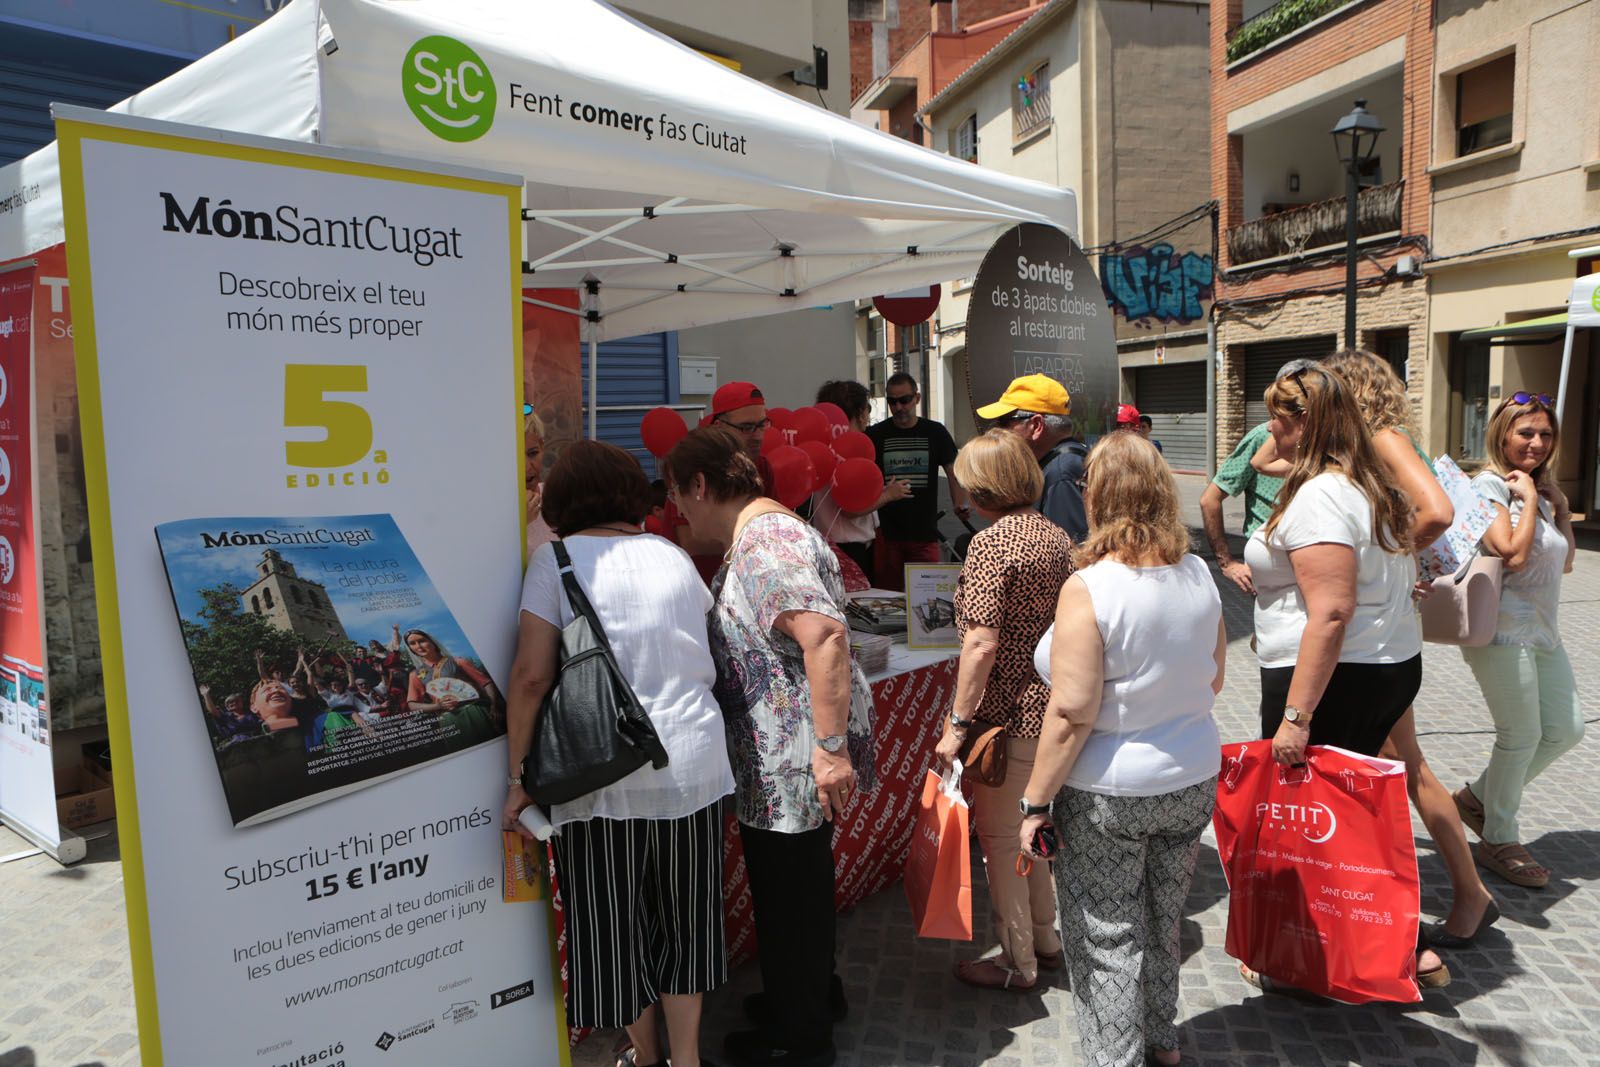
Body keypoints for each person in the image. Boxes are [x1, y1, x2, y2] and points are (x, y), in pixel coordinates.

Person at [503, 439, 733, 1067]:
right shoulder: (673, 556)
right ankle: (686, 1059)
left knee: (613, 929)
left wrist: (518, 776)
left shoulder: (556, 561)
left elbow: (530, 676)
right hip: (692, 766)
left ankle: (647, 1056)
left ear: (562, 501)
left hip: (600, 773)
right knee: (687, 923)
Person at [1252, 350, 1495, 942]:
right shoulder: (1360, 479)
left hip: (1344, 665)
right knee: (1373, 794)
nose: (1268, 431)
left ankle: (1389, 941)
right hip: (1380, 657)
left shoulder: (1338, 484)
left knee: (1336, 811)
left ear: (1311, 419)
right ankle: (1395, 930)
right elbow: (1265, 460)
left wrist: (1296, 716)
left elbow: (1333, 610)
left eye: (1280, 417)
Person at [664, 427, 874, 1067]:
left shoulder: (764, 545)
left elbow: (825, 637)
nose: (679, 513)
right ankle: (806, 999)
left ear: (701, 486)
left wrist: (830, 749)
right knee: (799, 890)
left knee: (791, 898)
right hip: (786, 755)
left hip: (792, 758)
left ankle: (802, 1036)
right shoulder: (771, 533)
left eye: (679, 497)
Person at [1016, 431, 1225, 1067]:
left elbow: (1072, 709)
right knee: (1163, 921)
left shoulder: (1092, 587)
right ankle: (1160, 1042)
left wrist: (1035, 802)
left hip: (1112, 789)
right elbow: (1214, 678)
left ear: (1096, 495)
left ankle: (1117, 1057)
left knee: (1106, 937)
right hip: (1189, 776)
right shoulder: (1198, 573)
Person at [931, 430, 1073, 991]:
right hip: (1050, 709)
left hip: (1005, 716)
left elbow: (981, 644)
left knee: (999, 838)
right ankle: (1045, 937)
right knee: (1032, 830)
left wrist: (956, 724)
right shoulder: (1056, 536)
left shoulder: (993, 544)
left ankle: (1019, 961)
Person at [1454, 393, 1582, 890]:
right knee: (1521, 735)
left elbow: (1564, 562)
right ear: (1503, 433)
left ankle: (1476, 800)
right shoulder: (1489, 486)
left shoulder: (1537, 489)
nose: (1536, 442)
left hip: (1544, 631)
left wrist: (1562, 510)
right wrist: (1526, 500)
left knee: (1566, 730)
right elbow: (1510, 554)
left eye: (1545, 434)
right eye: (1525, 432)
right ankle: (1499, 837)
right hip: (1501, 629)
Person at [1199, 357, 1320, 596]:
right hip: (1269, 571)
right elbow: (1209, 499)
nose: (1271, 425)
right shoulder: (1261, 437)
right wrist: (1227, 563)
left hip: (1313, 568)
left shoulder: (1332, 448)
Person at [868, 372, 970, 590]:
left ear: (917, 398)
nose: (899, 407)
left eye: (904, 400)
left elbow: (952, 471)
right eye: (892, 401)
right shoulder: (876, 434)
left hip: (924, 532)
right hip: (886, 534)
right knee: (888, 595)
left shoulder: (935, 432)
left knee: (926, 595)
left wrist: (960, 503)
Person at [810, 379, 910, 583]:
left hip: (824, 542)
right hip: (850, 549)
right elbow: (850, 509)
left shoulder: (821, 447)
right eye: (868, 409)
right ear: (860, 412)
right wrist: (888, 494)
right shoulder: (852, 449)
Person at [977, 374, 1088, 542]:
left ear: (1036, 425)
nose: (998, 430)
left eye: (1005, 421)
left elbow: (1072, 554)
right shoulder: (1065, 461)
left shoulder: (1060, 473)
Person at [403, 629, 503, 745]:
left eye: (422, 641)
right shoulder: (416, 674)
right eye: (412, 644)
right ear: (410, 648)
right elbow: (412, 705)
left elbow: (486, 683)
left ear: (432, 642)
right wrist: (437, 706)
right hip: (448, 720)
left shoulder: (458, 662)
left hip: (473, 711)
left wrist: (494, 705)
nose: (418, 646)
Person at [525, 405, 556, 554]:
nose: (526, 467)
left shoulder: (561, 498)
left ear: (543, 447)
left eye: (532, 453)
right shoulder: (484, 512)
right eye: (513, 457)